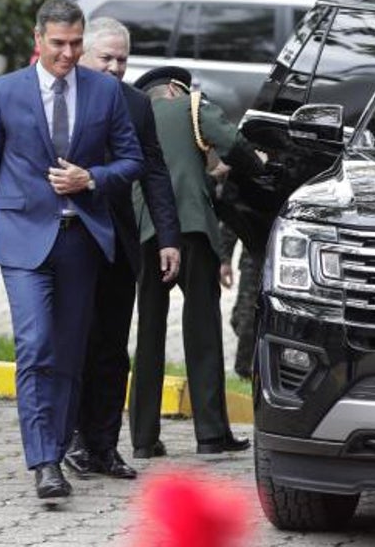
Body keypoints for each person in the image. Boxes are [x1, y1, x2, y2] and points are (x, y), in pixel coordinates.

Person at [0, 0, 144, 500]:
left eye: (75, 43)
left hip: (81, 240)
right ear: (38, 39)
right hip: (23, 241)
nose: (68, 54)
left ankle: (59, 445)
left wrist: (92, 178)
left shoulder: (104, 93)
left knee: (68, 355)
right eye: (59, 44)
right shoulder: (2, 93)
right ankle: (44, 461)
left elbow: (131, 161)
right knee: (36, 344)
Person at [63, 17, 180, 482]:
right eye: (105, 58)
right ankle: (70, 437)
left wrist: (168, 238)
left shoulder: (135, 103)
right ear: (84, 55)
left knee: (112, 348)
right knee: (74, 343)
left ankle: (105, 445)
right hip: (68, 238)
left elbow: (155, 172)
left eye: (122, 59)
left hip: (118, 242)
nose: (114, 67)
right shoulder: (63, 100)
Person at [128, 66, 263, 459]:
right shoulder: (191, 105)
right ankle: (210, 434)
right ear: (174, 88)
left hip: (145, 232)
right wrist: (257, 166)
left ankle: (142, 438)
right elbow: (233, 143)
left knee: (149, 333)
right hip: (190, 229)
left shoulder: (135, 116)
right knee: (202, 328)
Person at [218, 222, 262, 380]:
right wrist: (224, 260)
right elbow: (234, 222)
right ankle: (244, 371)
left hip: (285, 262)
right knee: (247, 318)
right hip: (253, 261)